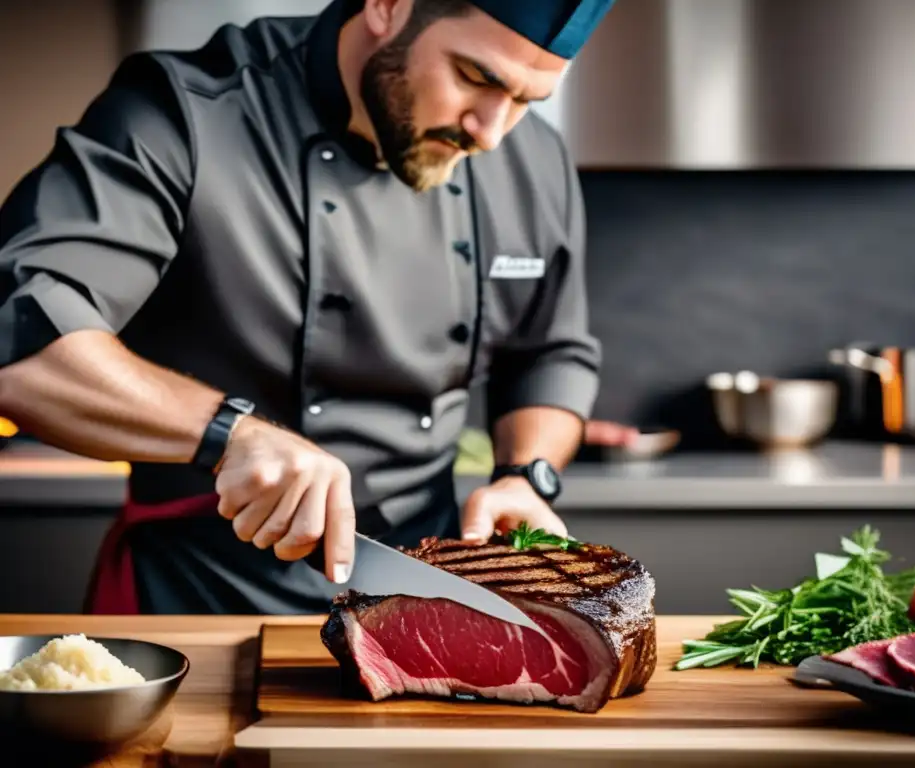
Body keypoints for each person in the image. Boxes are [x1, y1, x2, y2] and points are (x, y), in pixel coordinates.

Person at [0, 0, 621, 615]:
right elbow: (18, 333)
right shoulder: (187, 113)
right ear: (387, 6)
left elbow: (549, 350)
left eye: (525, 100)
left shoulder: (530, 157)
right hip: (200, 595)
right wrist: (229, 433)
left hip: (418, 592)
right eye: (476, 77)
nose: (490, 132)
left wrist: (527, 473)